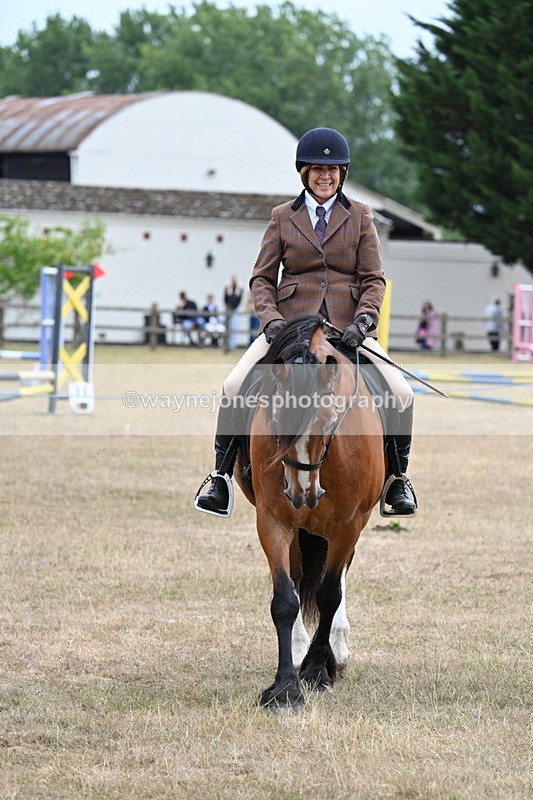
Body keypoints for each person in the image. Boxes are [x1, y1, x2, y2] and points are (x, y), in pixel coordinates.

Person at [195, 127, 417, 517]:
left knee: (401, 393)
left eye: (333, 170)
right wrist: (271, 320)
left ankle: (398, 481)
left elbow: (373, 280)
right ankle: (220, 478)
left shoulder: (361, 217)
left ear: (342, 174)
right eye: (317, 169)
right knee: (232, 385)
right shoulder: (283, 217)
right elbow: (262, 278)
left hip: (346, 329)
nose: (325, 176)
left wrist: (364, 320)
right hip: (289, 329)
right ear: (304, 173)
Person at [224, 275, 243, 349]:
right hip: (229, 309)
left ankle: (233, 344)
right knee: (228, 326)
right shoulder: (228, 289)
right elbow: (225, 299)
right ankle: (227, 344)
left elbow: (239, 300)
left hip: (236, 309)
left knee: (234, 326)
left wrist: (234, 307)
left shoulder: (239, 289)